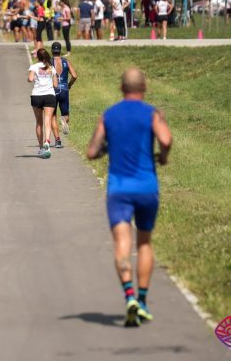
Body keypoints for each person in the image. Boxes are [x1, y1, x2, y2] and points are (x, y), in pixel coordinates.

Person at [86, 68, 173, 327]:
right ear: (144, 87)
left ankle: (130, 297)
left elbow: (91, 152)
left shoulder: (108, 115)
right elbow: (166, 140)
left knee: (122, 243)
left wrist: (105, 149)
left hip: (119, 189)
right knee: (144, 242)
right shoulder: (152, 114)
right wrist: (163, 158)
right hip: (147, 187)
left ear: (121, 88)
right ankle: (143, 301)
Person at [28, 48, 58, 159]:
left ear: (38, 57)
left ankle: (41, 148)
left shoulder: (34, 67)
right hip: (49, 96)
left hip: (36, 95)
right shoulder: (51, 68)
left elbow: (30, 79)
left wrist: (34, 77)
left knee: (39, 122)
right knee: (48, 120)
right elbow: (55, 85)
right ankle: (47, 142)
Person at [50, 42, 77, 149]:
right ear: (60, 51)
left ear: (52, 51)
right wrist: (69, 85)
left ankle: (57, 141)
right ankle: (64, 120)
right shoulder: (66, 61)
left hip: (53, 91)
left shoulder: (49, 62)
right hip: (64, 90)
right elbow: (74, 75)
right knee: (66, 115)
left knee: (52, 116)